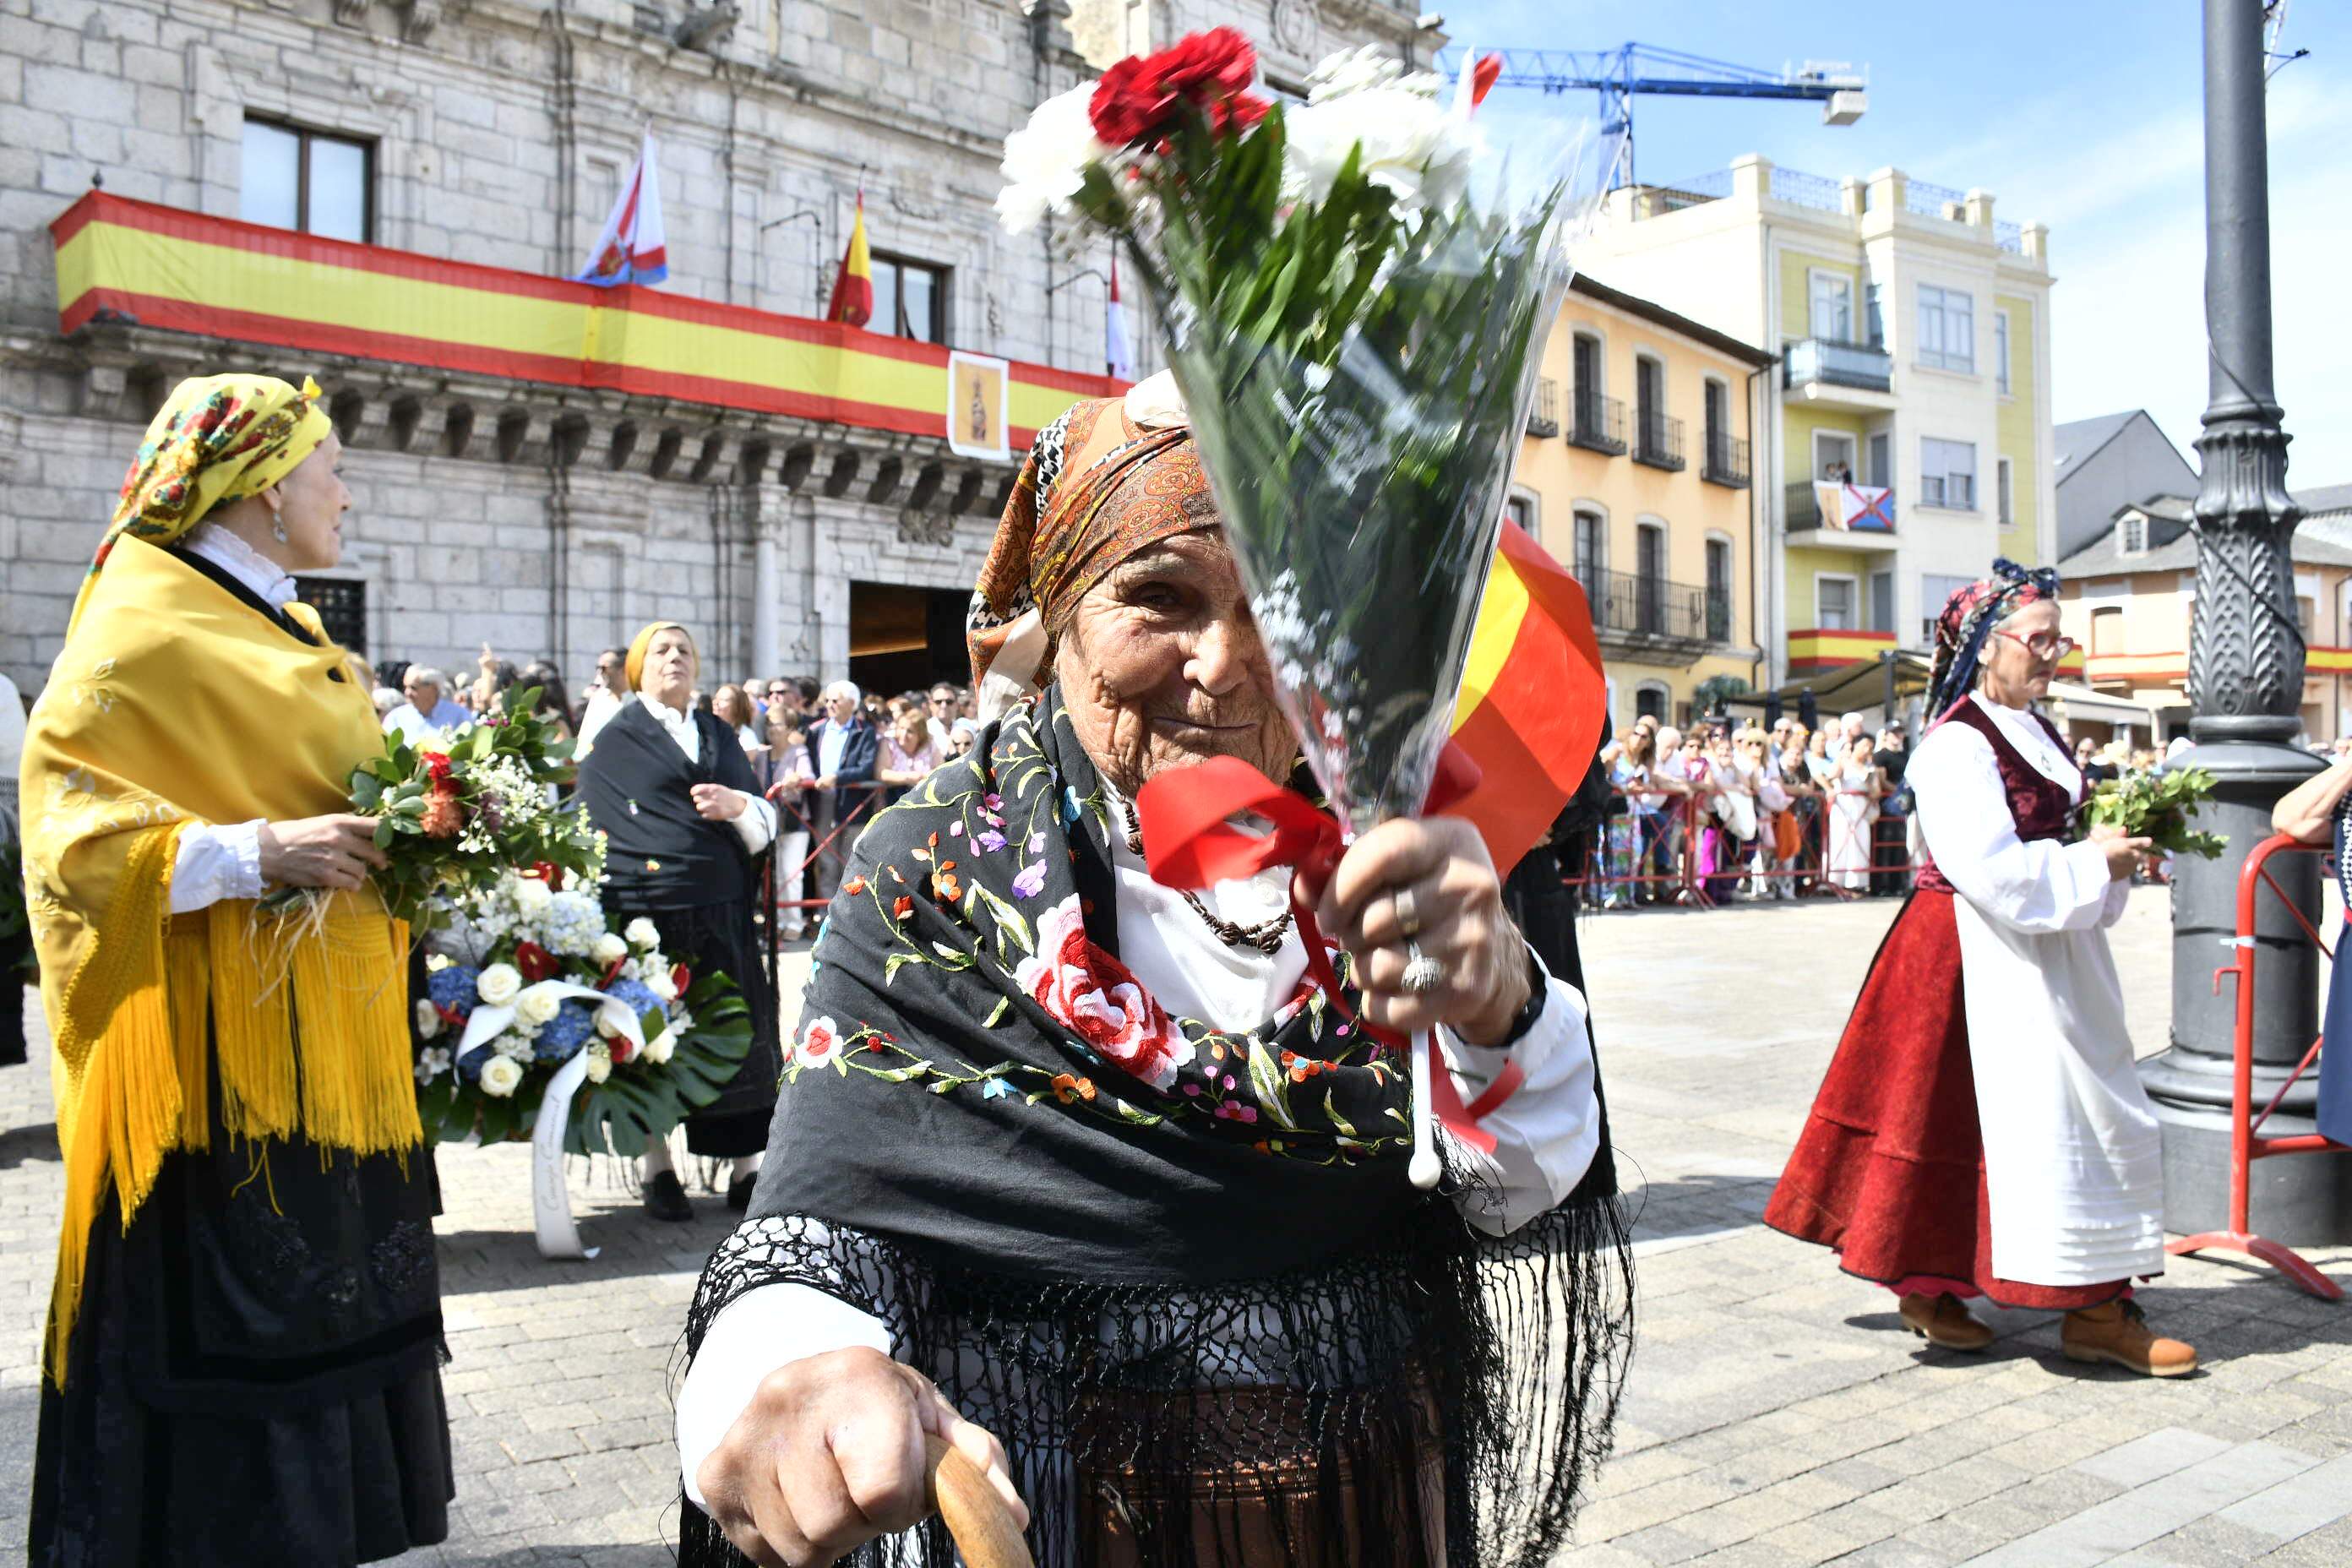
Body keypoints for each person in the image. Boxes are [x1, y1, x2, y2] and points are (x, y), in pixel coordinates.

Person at [673, 378, 1629, 1568]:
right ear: (1061, 611)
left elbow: (1518, 1191)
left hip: (1370, 1504)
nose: (1227, 666)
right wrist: (791, 1372)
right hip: (1061, 1516)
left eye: (1281, 612)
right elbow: (825, 1218)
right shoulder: (932, 868)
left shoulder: (1396, 846)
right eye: (1157, 598)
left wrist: (1500, 1007)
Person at [24, 373, 449, 1564]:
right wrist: (257, 852)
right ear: (266, 485)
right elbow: (67, 838)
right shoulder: (141, 622)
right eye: (333, 470)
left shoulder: (286, 619)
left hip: (325, 1052)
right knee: (230, 1367)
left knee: (324, 1328)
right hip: (216, 1076)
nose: (347, 496)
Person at [1765, 562, 2190, 1375]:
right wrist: (2093, 863)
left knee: (2042, 1112)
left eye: (2060, 638)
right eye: (2040, 638)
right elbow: (1987, 868)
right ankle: (1963, 1289)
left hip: (2040, 944)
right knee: (1974, 1117)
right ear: (1985, 646)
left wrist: (2111, 855)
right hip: (1968, 949)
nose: (2055, 653)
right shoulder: (1955, 744)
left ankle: (2088, 1303)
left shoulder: (2039, 728)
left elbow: (2046, 851)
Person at [575, 623, 784, 1220]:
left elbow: (764, 813)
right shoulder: (617, 740)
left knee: (737, 1034)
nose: (675, 659)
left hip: (722, 908)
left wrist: (738, 806)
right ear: (639, 666)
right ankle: (657, 1166)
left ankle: (746, 1168)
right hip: (648, 915)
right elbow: (595, 821)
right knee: (653, 1041)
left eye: (685, 651)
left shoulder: (718, 732)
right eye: (662, 651)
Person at [803, 679, 880, 901]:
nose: (829, 704)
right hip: (822, 801)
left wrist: (837, 778)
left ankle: (847, 915)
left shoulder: (864, 731)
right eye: (827, 700)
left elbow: (866, 768)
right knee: (826, 861)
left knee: (850, 861)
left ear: (852, 703)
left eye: (835, 700)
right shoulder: (816, 730)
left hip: (854, 801)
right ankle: (823, 912)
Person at [759, 709, 817, 941]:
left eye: (779, 724)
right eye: (770, 725)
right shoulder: (762, 756)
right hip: (769, 822)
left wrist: (796, 778)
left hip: (795, 820)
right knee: (774, 873)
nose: (773, 729)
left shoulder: (798, 752)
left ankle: (793, 922)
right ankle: (777, 920)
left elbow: (807, 775)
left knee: (791, 873)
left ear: (790, 728)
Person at [1825, 734, 1881, 892]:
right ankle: (1836, 880)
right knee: (1840, 841)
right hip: (1843, 807)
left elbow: (1876, 792)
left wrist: (1869, 781)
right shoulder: (1844, 762)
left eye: (1870, 746)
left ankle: (1857, 882)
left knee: (1860, 842)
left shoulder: (1871, 768)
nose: (1866, 749)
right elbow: (1831, 777)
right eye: (1864, 745)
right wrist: (1841, 759)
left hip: (1861, 809)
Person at [383, 663, 468, 740]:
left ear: (433, 688)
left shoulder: (459, 715)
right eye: (405, 687)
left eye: (413, 688)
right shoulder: (396, 718)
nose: (407, 693)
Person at [574, 645, 630, 756]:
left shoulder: (639, 700)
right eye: (597, 668)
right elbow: (584, 740)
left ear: (623, 669)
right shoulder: (598, 699)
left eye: (604, 668)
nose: (600, 673)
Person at [875, 706, 941, 798]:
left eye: (910, 731)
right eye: (901, 728)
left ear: (920, 735)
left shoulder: (930, 745)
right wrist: (908, 778)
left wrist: (923, 777)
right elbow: (881, 773)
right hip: (893, 798)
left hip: (925, 797)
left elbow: (941, 770)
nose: (904, 734)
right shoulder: (889, 743)